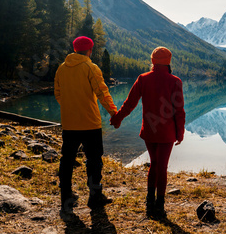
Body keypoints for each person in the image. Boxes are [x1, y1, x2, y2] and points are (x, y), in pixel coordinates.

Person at [110, 46, 185, 218]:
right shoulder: (175, 81)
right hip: (167, 133)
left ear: (152, 61)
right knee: (162, 166)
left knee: (154, 164)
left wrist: (117, 119)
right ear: (168, 62)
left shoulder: (143, 79)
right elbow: (179, 110)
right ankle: (160, 205)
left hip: (149, 131)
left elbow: (130, 103)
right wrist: (180, 133)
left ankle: (149, 201)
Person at [54, 36, 118, 211]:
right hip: (90, 124)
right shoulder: (91, 67)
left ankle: (66, 195)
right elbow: (102, 93)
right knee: (94, 160)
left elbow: (58, 94)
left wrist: (70, 107)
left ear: (74, 49)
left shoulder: (61, 68)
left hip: (69, 124)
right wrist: (113, 112)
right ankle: (95, 197)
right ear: (90, 50)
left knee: (67, 160)